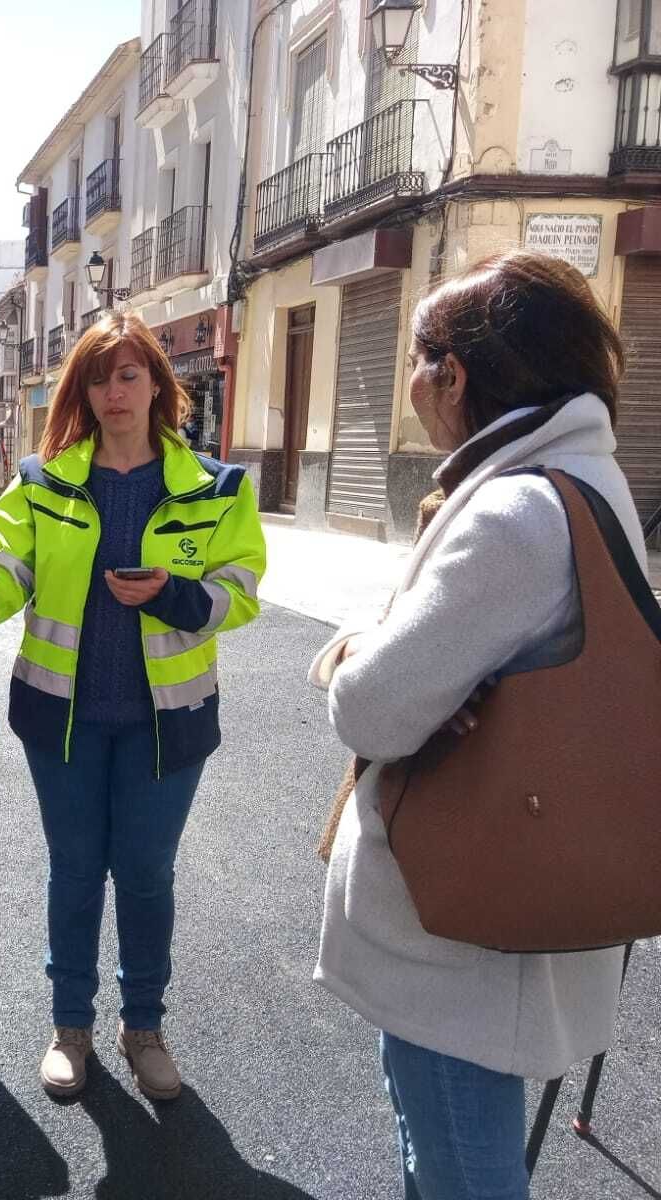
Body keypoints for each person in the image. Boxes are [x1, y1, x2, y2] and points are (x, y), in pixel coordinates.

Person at [0, 310, 265, 1099]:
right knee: (76, 872)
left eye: (130, 375)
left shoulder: (217, 488)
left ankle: (143, 1025)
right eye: (100, 379)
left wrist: (175, 596)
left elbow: (239, 593)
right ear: (83, 391)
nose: (115, 393)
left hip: (166, 724)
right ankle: (70, 1025)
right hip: (63, 720)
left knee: (145, 875)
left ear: (157, 385)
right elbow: (0, 577)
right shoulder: (43, 483)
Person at [311, 250, 639, 1199]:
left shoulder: (513, 514)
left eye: (417, 359)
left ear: (451, 374)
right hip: (516, 904)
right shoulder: (580, 480)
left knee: (459, 1158)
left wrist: (355, 650)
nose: (410, 383)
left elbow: (370, 707)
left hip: (467, 936)